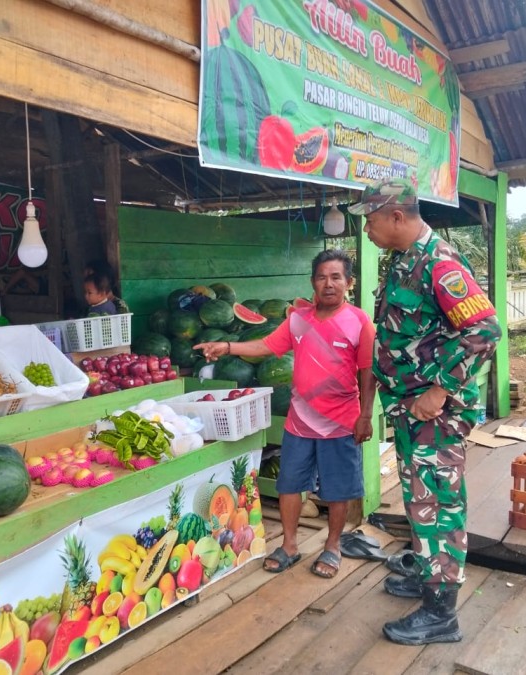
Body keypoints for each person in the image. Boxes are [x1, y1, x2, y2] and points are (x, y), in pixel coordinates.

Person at [349, 178, 501, 646]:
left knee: (438, 502)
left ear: (397, 216)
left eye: (370, 221)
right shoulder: (402, 261)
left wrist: (439, 389)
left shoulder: (441, 263)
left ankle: (442, 613)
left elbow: (485, 331)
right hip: (410, 410)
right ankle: (426, 572)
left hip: (435, 413)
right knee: (419, 498)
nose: (368, 230)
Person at [194, 249, 375, 580]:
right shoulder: (298, 320)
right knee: (289, 484)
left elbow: (367, 371)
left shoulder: (360, 322)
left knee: (338, 490)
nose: (329, 284)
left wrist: (366, 415)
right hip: (300, 422)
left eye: (336, 277)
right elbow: (266, 346)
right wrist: (228, 347)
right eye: (322, 277)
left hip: (341, 422)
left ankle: (332, 547)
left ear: (348, 282)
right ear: (312, 282)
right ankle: (289, 546)